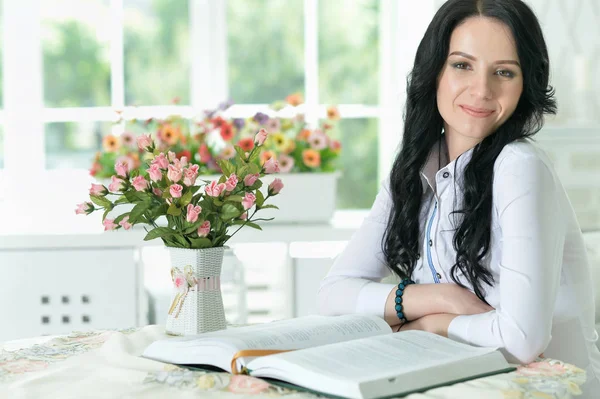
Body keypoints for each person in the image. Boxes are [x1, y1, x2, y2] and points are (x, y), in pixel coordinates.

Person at [317, 0, 600, 395]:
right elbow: (333, 293)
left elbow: (520, 340)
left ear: (525, 84)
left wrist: (427, 324)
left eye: (504, 72)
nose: (482, 90)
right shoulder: (415, 167)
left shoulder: (520, 166)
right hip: (458, 384)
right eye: (462, 65)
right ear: (434, 70)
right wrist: (439, 297)